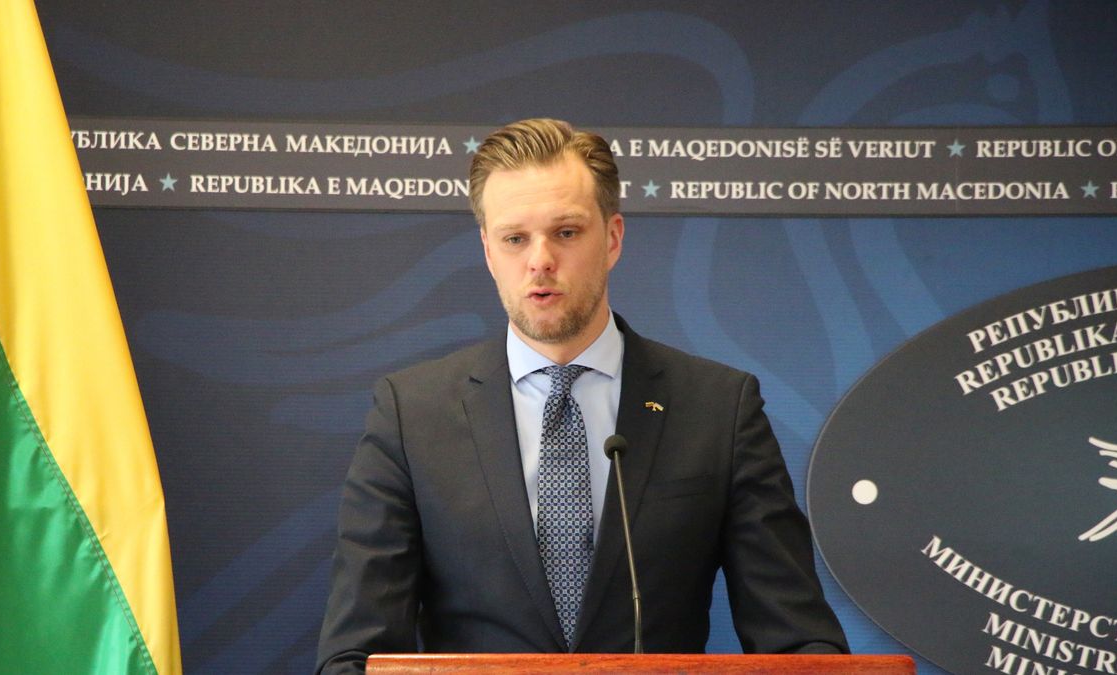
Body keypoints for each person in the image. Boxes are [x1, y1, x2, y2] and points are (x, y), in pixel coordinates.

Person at [316, 118, 847, 673]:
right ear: (488, 251)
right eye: (515, 238)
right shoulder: (411, 414)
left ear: (612, 238)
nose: (540, 259)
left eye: (566, 232)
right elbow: (357, 654)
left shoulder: (719, 407)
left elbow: (798, 642)